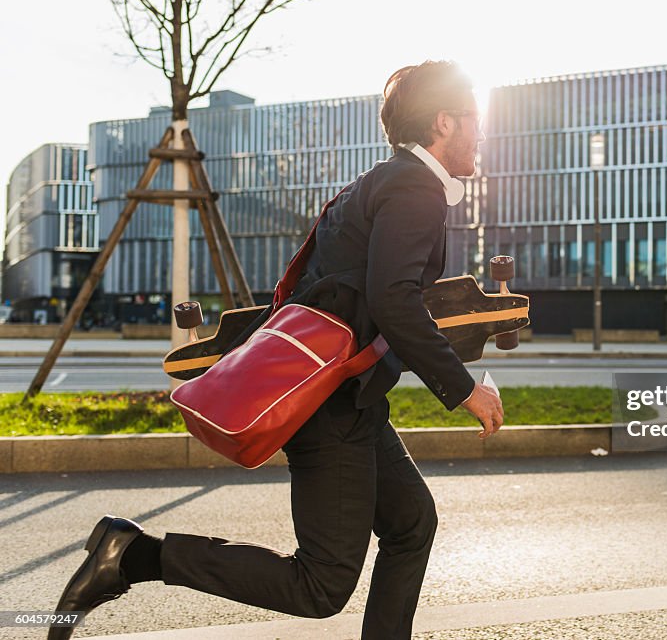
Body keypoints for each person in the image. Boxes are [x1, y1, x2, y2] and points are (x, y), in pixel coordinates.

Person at [48, 60, 504, 640]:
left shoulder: (378, 182)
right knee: (320, 586)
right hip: (331, 406)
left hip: (349, 398)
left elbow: (358, 298)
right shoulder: (415, 191)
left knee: (411, 523)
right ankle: (134, 556)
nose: (480, 134)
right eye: (474, 120)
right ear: (444, 121)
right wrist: (465, 389)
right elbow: (393, 300)